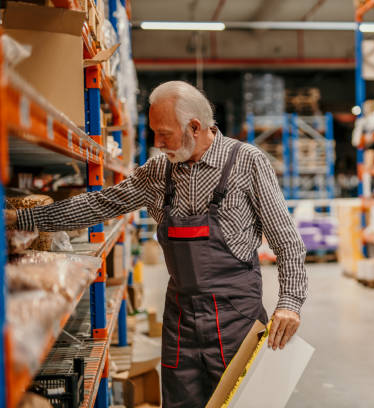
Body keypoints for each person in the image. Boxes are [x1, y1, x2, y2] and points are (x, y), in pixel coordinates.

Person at [4, 81, 308, 407]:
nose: (157, 142)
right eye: (153, 132)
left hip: (236, 318)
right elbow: (100, 204)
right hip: (182, 321)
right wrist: (23, 220)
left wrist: (289, 302)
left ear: (195, 127)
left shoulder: (247, 162)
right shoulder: (158, 172)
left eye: (164, 133)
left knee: (239, 401)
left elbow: (287, 242)